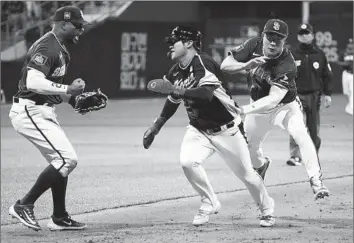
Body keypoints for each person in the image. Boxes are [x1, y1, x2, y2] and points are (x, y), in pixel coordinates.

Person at [143, 26, 275, 227]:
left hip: (227, 129)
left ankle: (266, 209)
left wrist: (178, 90)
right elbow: (172, 99)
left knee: (248, 176)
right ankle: (209, 201)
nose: (170, 45)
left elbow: (205, 95)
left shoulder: (203, 63)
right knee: (188, 162)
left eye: (174, 41)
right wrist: (157, 125)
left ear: (188, 43)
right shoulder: (175, 71)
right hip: (198, 129)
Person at [220, 19, 330, 201]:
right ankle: (261, 166)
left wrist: (244, 110)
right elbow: (225, 65)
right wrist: (246, 65)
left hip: (284, 107)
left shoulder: (287, 63)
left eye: (278, 39)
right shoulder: (253, 45)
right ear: (263, 36)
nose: (273, 42)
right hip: (257, 108)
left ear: (284, 40)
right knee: (249, 149)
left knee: (302, 135)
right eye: (270, 36)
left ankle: (316, 180)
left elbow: (273, 99)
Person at [8, 6, 91, 231]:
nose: (81, 30)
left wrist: (72, 100)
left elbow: (47, 89)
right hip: (30, 111)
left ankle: (59, 216)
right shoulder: (48, 46)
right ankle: (24, 204)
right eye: (78, 25)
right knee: (67, 159)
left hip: (42, 110)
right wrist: (68, 89)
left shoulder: (60, 48)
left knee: (60, 160)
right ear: (64, 24)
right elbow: (33, 83)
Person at [286, 23, 333, 166]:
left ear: (312, 35)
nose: (304, 36)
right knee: (296, 125)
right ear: (298, 36)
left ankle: (311, 155)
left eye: (307, 33)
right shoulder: (292, 54)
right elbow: (286, 75)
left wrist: (328, 94)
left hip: (314, 95)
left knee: (313, 128)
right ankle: (295, 156)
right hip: (296, 95)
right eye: (301, 33)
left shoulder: (319, 54)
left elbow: (327, 75)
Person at [339, 38, 353, 115]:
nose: (350, 45)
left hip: (352, 74)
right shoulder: (343, 52)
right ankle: (349, 104)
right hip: (346, 73)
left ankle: (351, 107)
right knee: (346, 92)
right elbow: (338, 61)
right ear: (347, 44)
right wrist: (345, 64)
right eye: (349, 43)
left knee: (352, 90)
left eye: (352, 43)